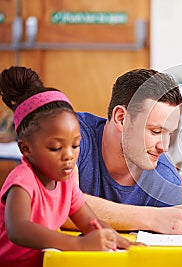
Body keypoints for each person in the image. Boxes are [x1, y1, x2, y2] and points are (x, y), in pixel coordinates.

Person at [0, 66, 134, 267]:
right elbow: (18, 229)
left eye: (75, 145)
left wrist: (116, 239)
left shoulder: (66, 182)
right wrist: (79, 244)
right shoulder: (23, 180)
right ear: (25, 148)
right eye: (55, 148)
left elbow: (90, 223)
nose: (69, 156)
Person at [75, 68, 182, 234]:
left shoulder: (166, 181)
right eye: (156, 131)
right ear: (121, 118)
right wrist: (154, 218)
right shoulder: (70, 136)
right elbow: (60, 207)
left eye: (169, 134)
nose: (164, 147)